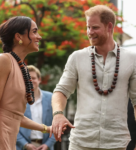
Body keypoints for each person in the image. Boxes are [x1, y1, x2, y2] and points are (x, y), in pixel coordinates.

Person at [51, 5, 136, 150]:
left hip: (116, 143)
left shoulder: (131, 59)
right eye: (88, 27)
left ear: (109, 27)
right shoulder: (77, 57)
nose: (90, 32)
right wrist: (58, 114)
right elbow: (61, 91)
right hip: (80, 142)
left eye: (94, 27)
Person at [0, 16, 52, 150]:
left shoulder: (21, 67)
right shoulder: (3, 60)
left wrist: (46, 128)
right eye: (34, 32)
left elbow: (15, 116)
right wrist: (0, 146)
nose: (39, 37)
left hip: (9, 139)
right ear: (19, 37)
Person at [16, 65, 56, 150]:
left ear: (39, 80)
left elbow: (57, 124)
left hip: (46, 147)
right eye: (27, 78)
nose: (30, 80)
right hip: (23, 147)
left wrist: (47, 145)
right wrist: (25, 145)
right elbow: (13, 124)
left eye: (33, 78)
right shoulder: (17, 99)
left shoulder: (51, 98)